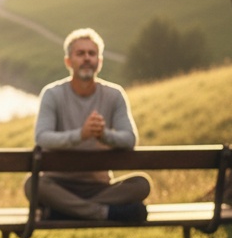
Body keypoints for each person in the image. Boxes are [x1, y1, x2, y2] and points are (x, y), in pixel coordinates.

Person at [29, 28, 151, 224]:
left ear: (99, 62)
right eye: (80, 53)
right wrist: (81, 135)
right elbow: (42, 137)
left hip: (100, 186)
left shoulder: (114, 95)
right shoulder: (52, 94)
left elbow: (129, 139)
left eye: (92, 54)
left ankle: (63, 211)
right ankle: (104, 213)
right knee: (33, 185)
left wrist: (103, 135)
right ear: (68, 61)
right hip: (58, 184)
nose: (87, 58)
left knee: (141, 184)